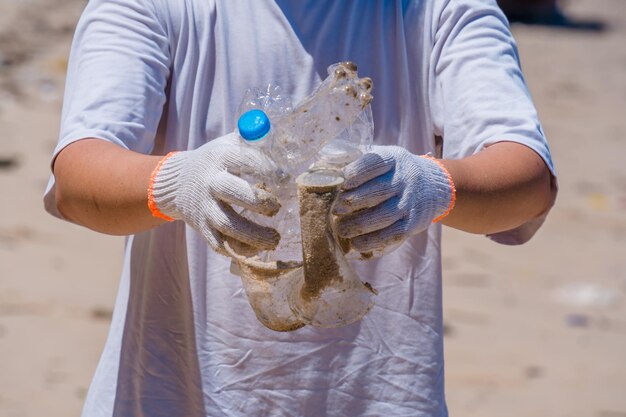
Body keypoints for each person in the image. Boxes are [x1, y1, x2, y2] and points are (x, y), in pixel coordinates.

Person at [44, 0, 557, 416]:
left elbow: (528, 183)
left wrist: (434, 186)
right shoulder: (155, 7)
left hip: (381, 395)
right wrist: (180, 182)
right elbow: (77, 178)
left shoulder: (437, 11)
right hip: (178, 392)